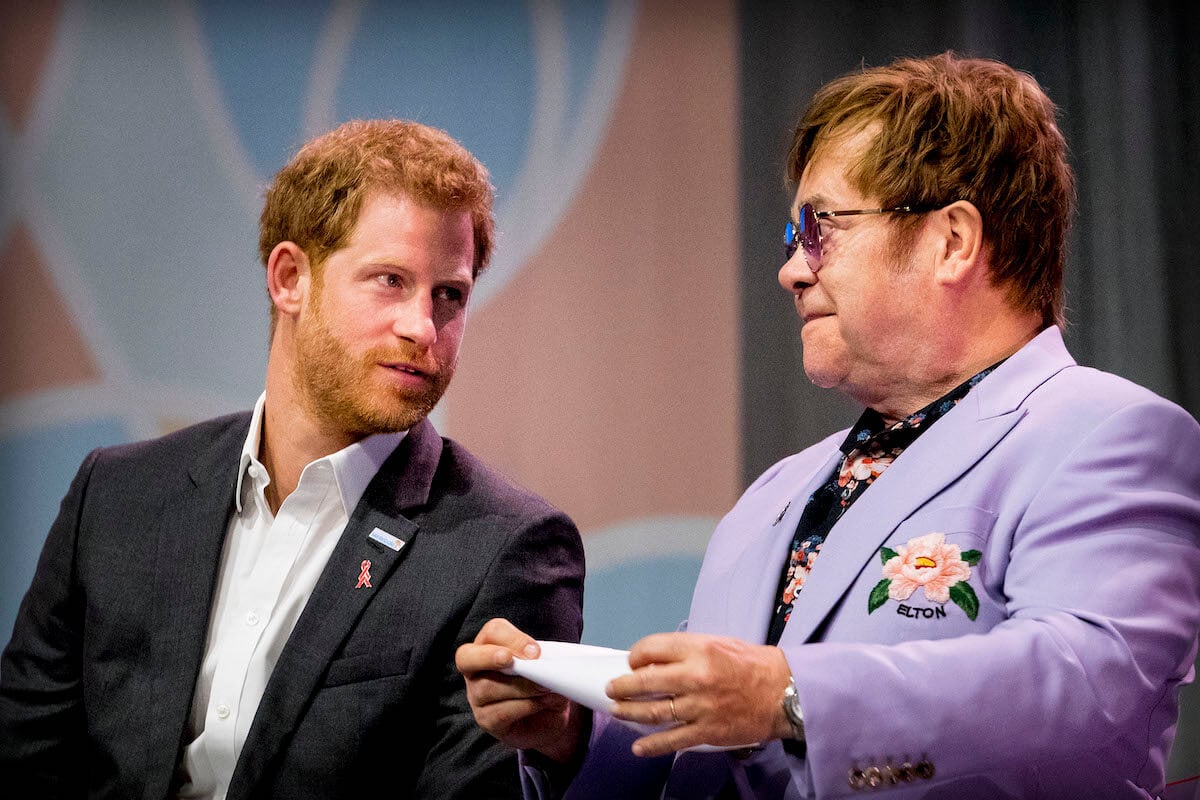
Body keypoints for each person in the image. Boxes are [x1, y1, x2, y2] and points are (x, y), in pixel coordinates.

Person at [456, 53, 1200, 799]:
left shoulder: (1111, 435)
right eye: (793, 235)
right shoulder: (779, 492)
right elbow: (706, 753)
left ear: (952, 240)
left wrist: (787, 692)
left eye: (822, 227)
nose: (791, 270)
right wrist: (571, 733)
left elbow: (1085, 678)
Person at [0, 119, 585, 799]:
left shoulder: (504, 548)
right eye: (390, 281)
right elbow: (25, 759)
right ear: (289, 279)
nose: (423, 328)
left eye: (448, 295)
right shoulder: (118, 495)